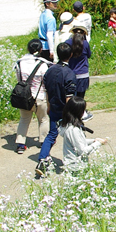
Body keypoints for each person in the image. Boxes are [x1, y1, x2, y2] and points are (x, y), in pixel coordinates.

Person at [35, 42, 76, 178]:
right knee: (73, 135)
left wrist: (48, 105)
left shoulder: (50, 70)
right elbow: (69, 97)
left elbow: (46, 90)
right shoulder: (69, 73)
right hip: (65, 110)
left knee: (52, 135)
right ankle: (75, 161)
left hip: (53, 108)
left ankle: (42, 159)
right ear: (71, 55)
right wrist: (72, 114)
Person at [15, 39, 50, 154]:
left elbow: (19, 79)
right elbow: (45, 82)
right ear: (40, 50)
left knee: (24, 120)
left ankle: (20, 144)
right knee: (44, 119)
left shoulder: (19, 63)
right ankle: (43, 141)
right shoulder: (42, 64)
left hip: (24, 97)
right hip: (40, 96)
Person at [61, 96, 107, 171]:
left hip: (78, 165)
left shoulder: (70, 124)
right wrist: (98, 143)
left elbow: (79, 141)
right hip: (75, 167)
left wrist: (94, 140)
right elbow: (82, 151)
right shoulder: (73, 130)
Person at [69, 26, 91, 98]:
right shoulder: (85, 43)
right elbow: (89, 55)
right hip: (83, 74)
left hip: (71, 74)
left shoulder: (68, 42)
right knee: (81, 98)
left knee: (71, 97)